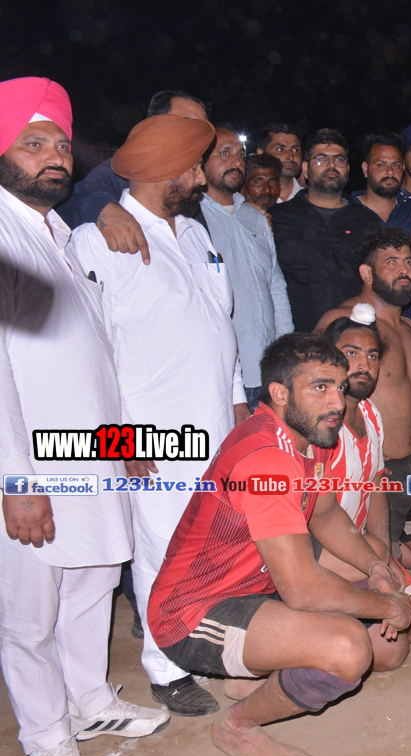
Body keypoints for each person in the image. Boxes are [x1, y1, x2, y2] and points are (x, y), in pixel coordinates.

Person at [0, 77, 168, 756]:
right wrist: (15, 482)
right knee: (30, 613)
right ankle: (45, 740)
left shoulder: (60, 235)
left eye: (62, 146)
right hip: (29, 465)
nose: (54, 158)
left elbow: (92, 356)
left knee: (94, 578)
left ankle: (89, 702)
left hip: (88, 455)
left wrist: (123, 441)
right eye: (33, 143)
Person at [146, 333, 411, 756]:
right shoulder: (267, 458)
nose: (337, 402)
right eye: (320, 387)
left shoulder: (305, 436)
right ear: (280, 392)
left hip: (253, 584)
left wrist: (376, 569)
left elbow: (324, 514)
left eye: (340, 388)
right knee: (348, 650)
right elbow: (304, 590)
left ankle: (250, 671)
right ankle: (237, 726)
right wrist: (387, 605)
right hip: (193, 612)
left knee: (385, 636)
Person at [69, 113, 248, 717]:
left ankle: (204, 643)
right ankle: (166, 669)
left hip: (216, 423)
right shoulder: (97, 242)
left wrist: (238, 405)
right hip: (150, 433)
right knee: (162, 550)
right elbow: (91, 351)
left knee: (211, 543)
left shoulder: (195, 234)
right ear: (163, 172)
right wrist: (117, 438)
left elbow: (219, 327)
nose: (200, 177)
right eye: (192, 168)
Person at [316, 228, 411, 574]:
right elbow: (315, 392)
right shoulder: (341, 323)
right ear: (367, 273)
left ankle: (388, 551)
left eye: (409, 262)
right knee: (372, 563)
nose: (404, 270)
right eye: (392, 262)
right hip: (376, 470)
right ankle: (369, 552)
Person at [318, 308, 411, 644]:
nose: (364, 364)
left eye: (372, 356)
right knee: (388, 650)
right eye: (351, 353)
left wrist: (386, 554)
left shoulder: (371, 414)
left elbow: (376, 488)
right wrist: (374, 561)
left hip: (363, 549)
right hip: (321, 552)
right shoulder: (320, 423)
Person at [201, 126, 294, 408]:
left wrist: (285, 353)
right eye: (224, 153)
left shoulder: (256, 218)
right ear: (200, 162)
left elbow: (275, 286)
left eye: (240, 155)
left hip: (268, 373)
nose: (236, 162)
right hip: (226, 379)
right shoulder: (192, 219)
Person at [57, 89, 208, 262]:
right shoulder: (125, 172)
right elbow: (72, 200)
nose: (197, 133)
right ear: (154, 125)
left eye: (204, 128)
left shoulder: (203, 174)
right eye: (187, 122)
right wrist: (103, 209)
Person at [268, 128, 381, 331]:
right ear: (305, 169)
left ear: (348, 169)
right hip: (295, 337)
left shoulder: (366, 221)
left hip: (354, 335)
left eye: (339, 160)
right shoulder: (278, 218)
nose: (331, 166)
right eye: (321, 159)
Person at [352, 131, 411, 233]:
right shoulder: (347, 213)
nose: (390, 171)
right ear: (366, 169)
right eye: (381, 165)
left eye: (396, 166)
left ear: (403, 168)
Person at [256, 123, 305, 202]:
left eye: (295, 150)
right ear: (261, 154)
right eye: (280, 150)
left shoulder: (309, 199)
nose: (290, 156)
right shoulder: (247, 200)